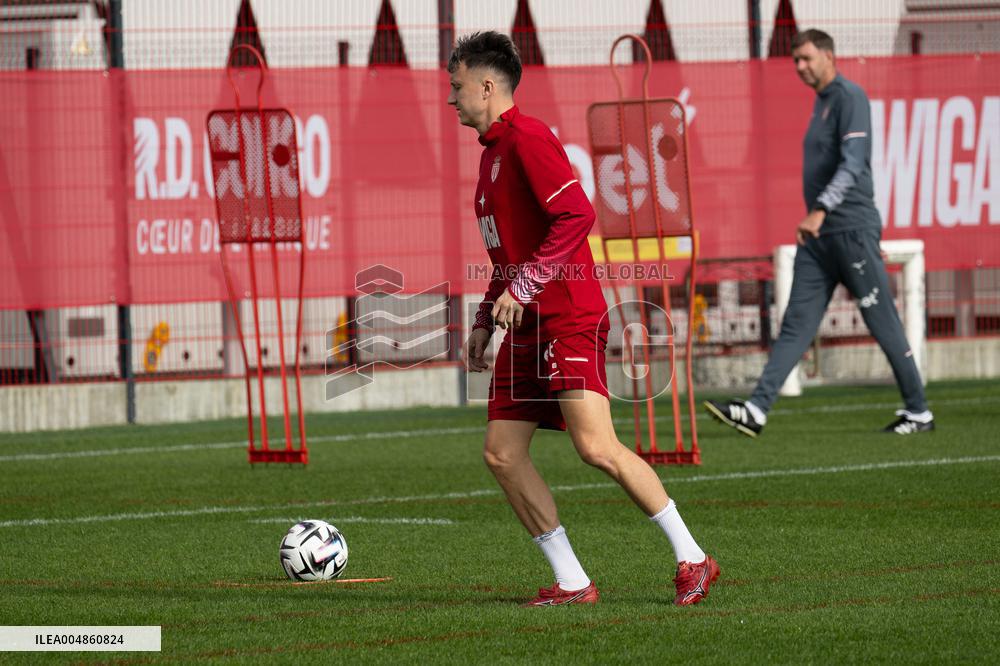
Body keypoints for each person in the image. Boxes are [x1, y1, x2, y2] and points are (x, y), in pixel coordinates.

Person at [448, 31, 719, 607]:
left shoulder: (529, 137)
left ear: (487, 85)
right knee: (501, 453)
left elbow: (577, 214)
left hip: (567, 318)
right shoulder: (491, 158)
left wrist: (523, 286)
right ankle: (572, 581)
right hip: (524, 328)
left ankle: (693, 557)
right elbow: (510, 255)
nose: (452, 99)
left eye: (458, 86)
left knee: (595, 447)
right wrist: (483, 321)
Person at [704, 29, 934, 438]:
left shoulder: (850, 97)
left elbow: (854, 163)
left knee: (883, 323)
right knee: (796, 324)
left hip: (850, 230)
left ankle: (918, 411)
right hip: (821, 237)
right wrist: (817, 218)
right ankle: (757, 409)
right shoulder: (823, 103)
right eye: (796, 61)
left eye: (807, 58)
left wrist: (821, 210)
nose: (800, 67)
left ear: (829, 55)